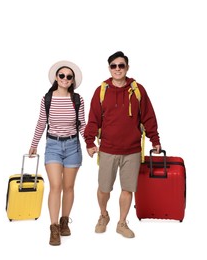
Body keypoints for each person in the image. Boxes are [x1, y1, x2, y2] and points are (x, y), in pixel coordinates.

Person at [84, 51, 161, 238]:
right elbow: (93, 119)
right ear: (109, 68)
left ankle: (122, 222)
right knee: (104, 189)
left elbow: (148, 117)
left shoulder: (138, 89)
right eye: (114, 66)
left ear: (127, 67)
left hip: (132, 150)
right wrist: (89, 141)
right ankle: (104, 215)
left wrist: (155, 139)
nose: (117, 69)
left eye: (121, 65)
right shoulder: (101, 90)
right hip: (108, 149)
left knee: (127, 189)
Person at [29, 60, 86, 246]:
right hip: (53, 145)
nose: (65, 79)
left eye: (69, 77)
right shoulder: (47, 99)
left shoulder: (77, 100)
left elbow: (82, 125)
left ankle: (64, 222)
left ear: (72, 80)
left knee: (69, 187)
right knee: (56, 186)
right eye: (61, 75)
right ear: (56, 77)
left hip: (72, 147)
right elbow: (41, 123)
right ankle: (53, 228)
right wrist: (34, 144)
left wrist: (90, 144)